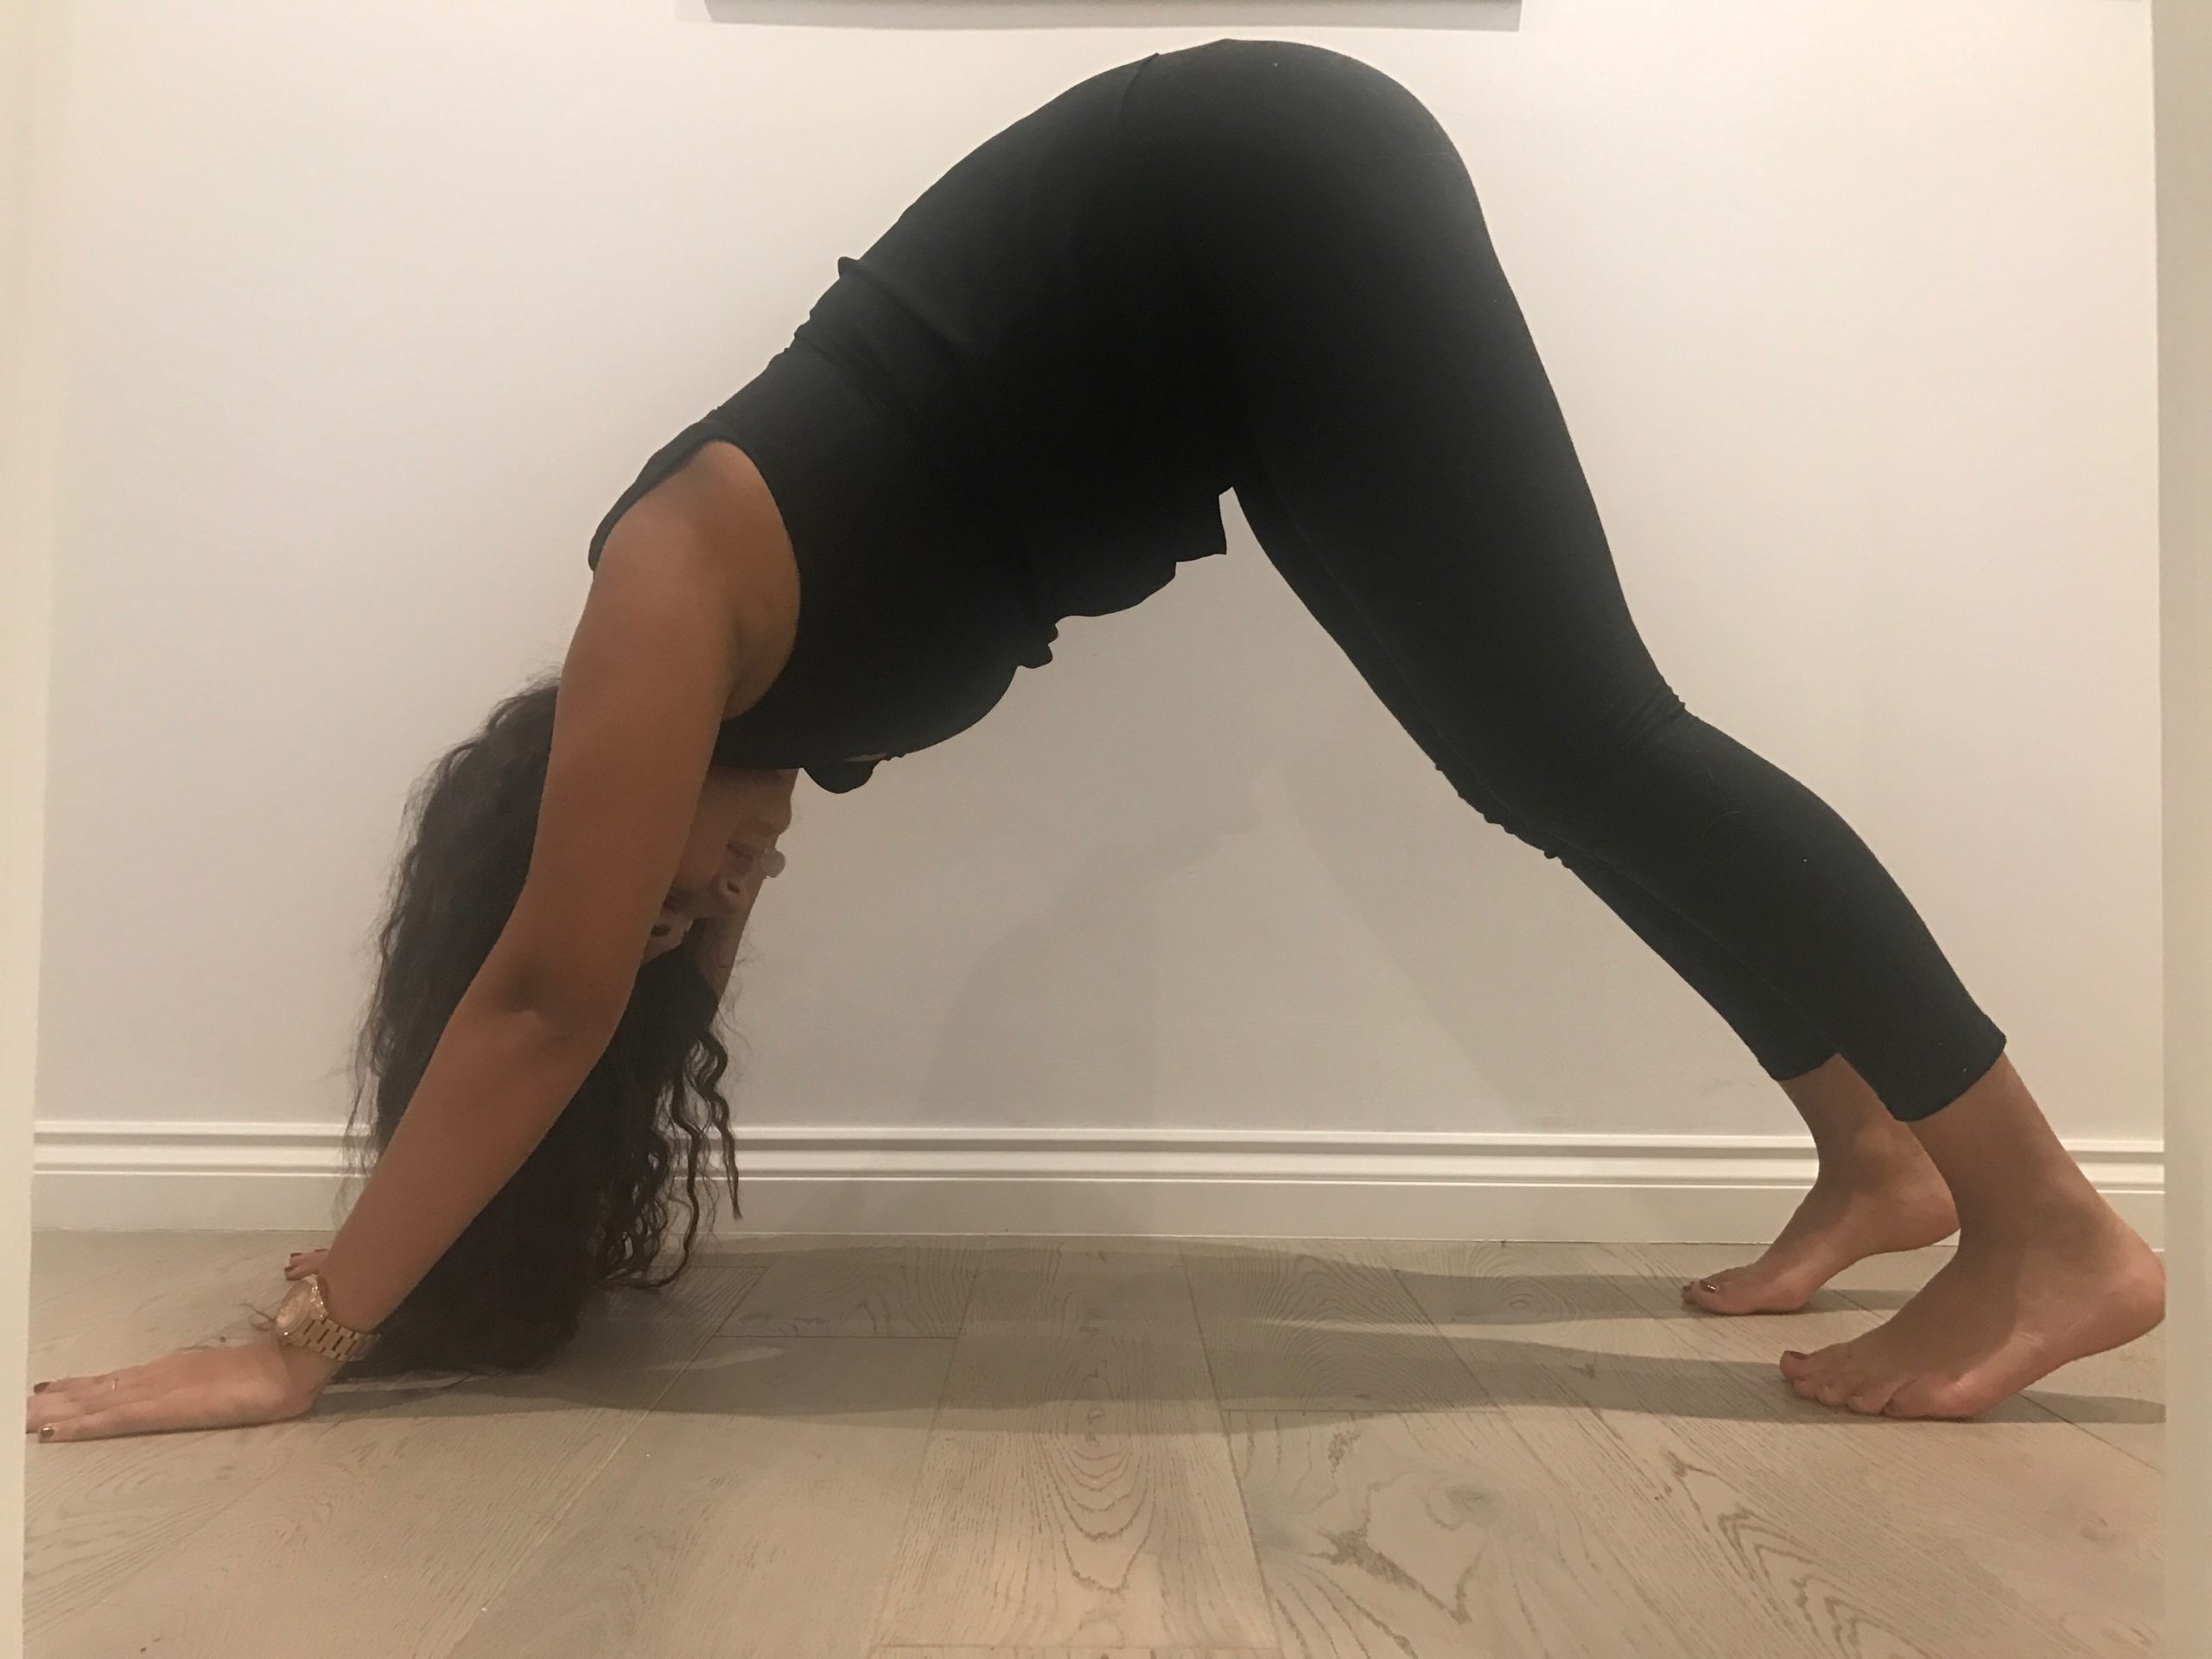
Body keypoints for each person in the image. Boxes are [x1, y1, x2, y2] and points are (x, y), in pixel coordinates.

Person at [25, 37, 2162, 1445]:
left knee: (1594, 735)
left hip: (1261, 199)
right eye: (704, 928)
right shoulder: (754, 712)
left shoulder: (660, 592)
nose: (723, 907)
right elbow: (599, 983)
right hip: (1229, 338)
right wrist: (460, 1243)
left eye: (674, 897)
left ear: (581, 812)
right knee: (1537, 765)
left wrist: (301, 1341)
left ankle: (2044, 1224)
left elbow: (541, 996)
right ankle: (1874, 1154)